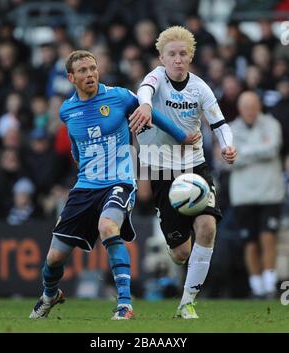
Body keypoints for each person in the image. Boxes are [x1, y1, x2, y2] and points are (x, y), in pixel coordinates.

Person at [29, 50, 197, 320]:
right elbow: (74, 143)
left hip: (119, 181)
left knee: (107, 227)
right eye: (82, 71)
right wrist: (79, 159)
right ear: (71, 78)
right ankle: (50, 295)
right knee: (53, 259)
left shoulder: (119, 97)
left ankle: (124, 305)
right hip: (85, 186)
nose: (90, 74)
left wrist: (182, 136)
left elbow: (149, 110)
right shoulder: (67, 110)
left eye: (93, 68)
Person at [129, 26, 237, 319]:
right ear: (162, 57)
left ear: (191, 56)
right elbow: (144, 91)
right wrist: (146, 106)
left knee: (207, 226)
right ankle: (176, 247)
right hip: (162, 170)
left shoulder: (201, 89)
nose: (178, 59)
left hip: (195, 165)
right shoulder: (155, 79)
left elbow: (219, 124)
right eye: (172, 54)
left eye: (183, 54)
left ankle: (187, 302)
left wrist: (228, 146)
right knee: (181, 254)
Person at [229, 91, 285, 299]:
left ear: (259, 106)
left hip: (270, 192)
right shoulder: (231, 129)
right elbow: (229, 159)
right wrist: (255, 150)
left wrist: (243, 152)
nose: (250, 111)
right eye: (246, 107)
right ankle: (257, 287)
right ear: (240, 109)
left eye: (253, 106)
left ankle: (270, 285)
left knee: (268, 238)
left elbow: (272, 148)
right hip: (243, 195)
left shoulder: (271, 124)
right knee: (250, 243)